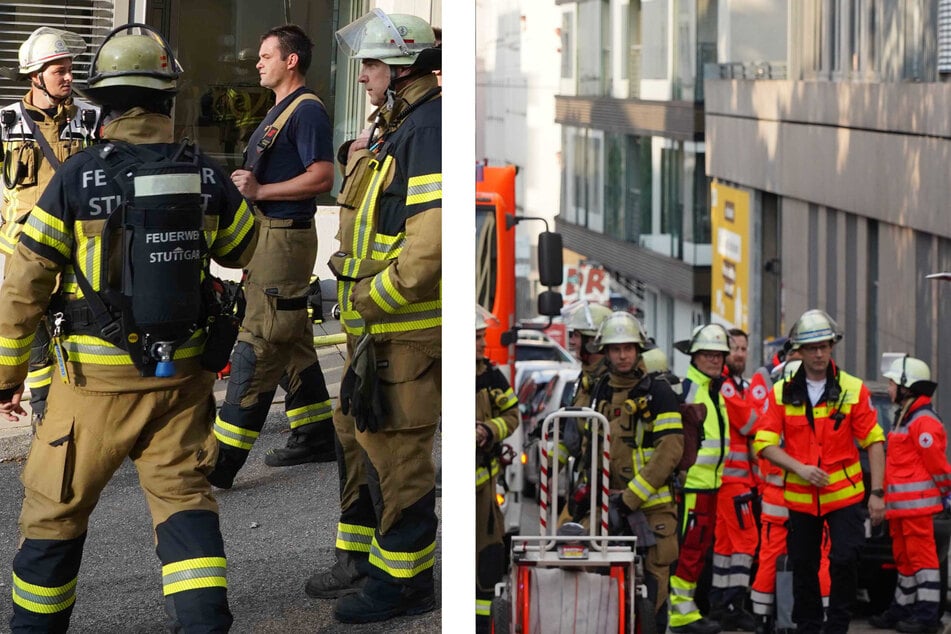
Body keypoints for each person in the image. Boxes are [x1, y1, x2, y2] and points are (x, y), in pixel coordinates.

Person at [0, 24, 257, 631]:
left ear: (105, 102)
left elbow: (23, 284)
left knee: (53, 520)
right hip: (180, 385)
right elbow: (243, 250)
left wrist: (7, 374)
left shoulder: (77, 178)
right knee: (187, 511)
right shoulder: (203, 172)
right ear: (168, 99)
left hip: (90, 389)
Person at [304, 10, 442, 624]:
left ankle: (405, 583)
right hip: (374, 330)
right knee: (356, 437)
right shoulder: (398, 124)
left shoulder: (428, 128)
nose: (362, 77)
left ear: (403, 66)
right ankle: (363, 559)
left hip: (402, 331)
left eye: (373, 64)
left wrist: (368, 298)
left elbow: (428, 246)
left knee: (399, 460)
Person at [207, 24, 337, 488]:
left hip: (284, 237)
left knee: (261, 339)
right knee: (292, 333)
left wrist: (262, 189)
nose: (258, 63)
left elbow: (322, 176)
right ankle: (317, 432)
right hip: (270, 236)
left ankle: (220, 462)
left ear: (291, 61)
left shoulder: (307, 112)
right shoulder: (281, 111)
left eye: (265, 56)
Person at [754, 309, 886, 634]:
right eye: (811, 347)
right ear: (798, 350)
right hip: (800, 498)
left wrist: (878, 493)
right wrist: (800, 468)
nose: (818, 353)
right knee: (803, 567)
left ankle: (837, 626)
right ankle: (808, 626)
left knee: (844, 559)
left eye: (823, 346)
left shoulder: (852, 389)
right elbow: (764, 443)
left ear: (832, 346)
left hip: (844, 497)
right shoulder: (782, 391)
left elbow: (875, 441)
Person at [0, 27, 102, 425]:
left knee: (82, 334)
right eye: (59, 69)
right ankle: (43, 415)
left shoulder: (91, 120)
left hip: (79, 255)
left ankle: (79, 412)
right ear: (35, 75)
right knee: (31, 339)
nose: (68, 76)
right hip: (26, 255)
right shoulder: (7, 123)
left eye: (70, 68)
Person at [579, 311, 683, 631]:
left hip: (652, 510)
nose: (623, 355)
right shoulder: (599, 392)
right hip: (607, 508)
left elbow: (670, 450)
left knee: (651, 599)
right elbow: (590, 446)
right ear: (606, 353)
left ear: (639, 350)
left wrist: (631, 498)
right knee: (597, 591)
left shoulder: (659, 393)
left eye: (628, 348)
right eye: (615, 348)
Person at [868, 355, 951, 634]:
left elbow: (938, 465)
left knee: (924, 562)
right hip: (902, 509)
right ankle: (901, 610)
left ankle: (927, 618)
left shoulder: (923, 421)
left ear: (907, 387)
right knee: (904, 561)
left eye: (892, 383)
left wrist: (947, 492)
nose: (889, 388)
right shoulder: (906, 418)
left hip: (917, 509)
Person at [668, 323, 732, 634]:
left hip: (710, 486)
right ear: (694, 357)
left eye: (719, 355)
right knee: (689, 550)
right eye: (708, 354)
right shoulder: (689, 390)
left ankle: (689, 610)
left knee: (698, 550)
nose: (715, 360)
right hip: (691, 487)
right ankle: (680, 615)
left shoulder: (712, 390)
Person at [708, 328, 758, 631]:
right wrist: (762, 416)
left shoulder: (735, 385)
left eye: (743, 348)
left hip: (729, 481)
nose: (740, 353)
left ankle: (719, 604)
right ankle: (734, 602)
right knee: (747, 540)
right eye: (735, 348)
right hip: (734, 482)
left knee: (726, 545)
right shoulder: (727, 386)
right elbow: (750, 422)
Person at [475, 307, 519, 634]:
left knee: (489, 562)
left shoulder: (491, 376)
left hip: (486, 491)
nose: (482, 344)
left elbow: (513, 415)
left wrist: (489, 430)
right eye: (476, 338)